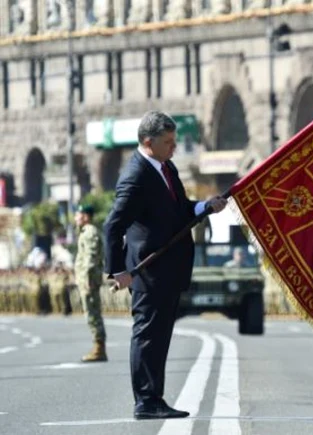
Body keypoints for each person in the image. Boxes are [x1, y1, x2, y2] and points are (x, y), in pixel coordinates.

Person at [103, 111, 228, 420]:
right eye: (168, 142)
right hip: (147, 271)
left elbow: (179, 210)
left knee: (160, 337)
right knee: (147, 336)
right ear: (149, 142)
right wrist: (118, 270)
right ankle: (145, 401)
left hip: (168, 271)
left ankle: (155, 397)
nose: (174, 147)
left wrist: (204, 207)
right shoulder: (136, 175)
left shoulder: (166, 167)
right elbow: (112, 226)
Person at [74, 204, 108, 361]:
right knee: (91, 311)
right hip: (87, 279)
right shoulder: (85, 232)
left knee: (92, 312)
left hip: (89, 280)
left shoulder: (89, 233)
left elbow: (91, 257)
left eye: (78, 214)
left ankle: (99, 348)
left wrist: (87, 277)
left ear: (86, 216)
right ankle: (98, 346)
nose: (76, 218)